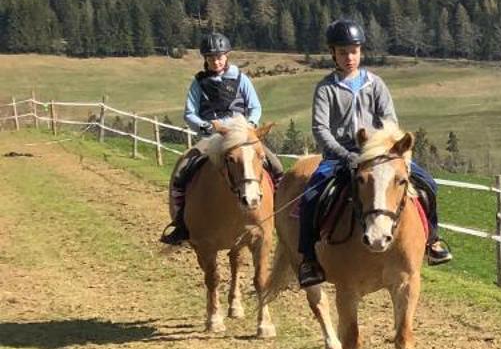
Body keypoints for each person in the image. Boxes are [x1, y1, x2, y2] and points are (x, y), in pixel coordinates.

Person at [294, 18, 453, 287]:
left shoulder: (375, 84)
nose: (349, 57)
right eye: (343, 52)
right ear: (333, 53)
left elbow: (389, 121)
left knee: (428, 185)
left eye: (353, 51)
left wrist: (384, 150)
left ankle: (433, 241)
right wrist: (346, 155)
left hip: (379, 154)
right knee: (311, 196)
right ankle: (309, 258)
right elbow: (321, 129)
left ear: (361, 52)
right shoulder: (326, 89)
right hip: (340, 155)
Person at [159, 30, 282, 244]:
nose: (216, 61)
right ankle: (181, 223)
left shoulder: (241, 79)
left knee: (276, 166)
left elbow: (255, 107)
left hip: (243, 135)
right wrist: (206, 127)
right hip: (213, 136)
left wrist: (249, 127)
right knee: (182, 170)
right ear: (205, 59)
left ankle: (279, 216)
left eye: (219, 56)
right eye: (211, 58)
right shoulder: (199, 83)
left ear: (227, 56)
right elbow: (189, 113)